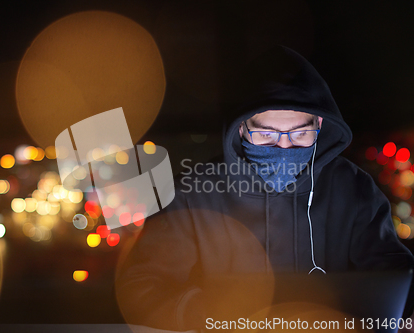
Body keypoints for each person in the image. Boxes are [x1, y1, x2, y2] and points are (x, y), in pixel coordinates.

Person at [115, 46, 414, 331]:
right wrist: (211, 312)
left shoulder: (352, 187)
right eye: (266, 135)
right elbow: (141, 284)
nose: (284, 146)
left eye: (300, 134)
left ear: (320, 124)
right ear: (243, 126)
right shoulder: (193, 194)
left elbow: (393, 274)